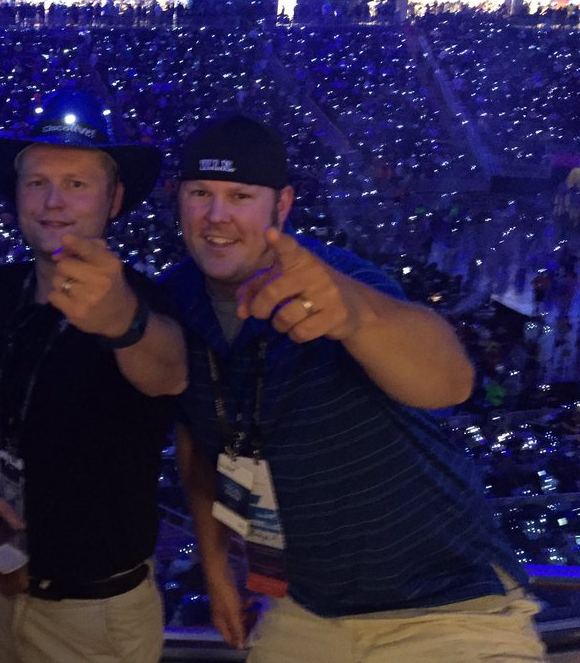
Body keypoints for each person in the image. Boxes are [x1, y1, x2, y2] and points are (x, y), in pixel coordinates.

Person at [164, 115, 545, 661]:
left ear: (282, 205)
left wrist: (356, 317)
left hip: (446, 608)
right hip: (304, 608)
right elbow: (198, 445)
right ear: (178, 199)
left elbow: (450, 382)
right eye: (201, 193)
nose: (217, 215)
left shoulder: (336, 280)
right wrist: (217, 566)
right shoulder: (176, 298)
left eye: (240, 196)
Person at [0, 88, 189, 663]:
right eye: (37, 182)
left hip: (94, 617)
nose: (53, 201)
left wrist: (123, 323)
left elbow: (168, 373)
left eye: (77, 184)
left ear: (114, 200)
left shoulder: (148, 303)